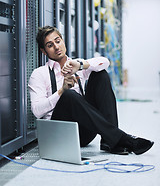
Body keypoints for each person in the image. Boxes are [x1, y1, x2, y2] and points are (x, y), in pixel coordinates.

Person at [28, 26, 154, 155]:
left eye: (58, 41)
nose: (56, 47)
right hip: (61, 133)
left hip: (84, 133)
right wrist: (61, 91)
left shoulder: (77, 65)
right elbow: (37, 111)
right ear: (44, 51)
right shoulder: (39, 74)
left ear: (63, 41)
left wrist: (81, 65)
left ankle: (109, 140)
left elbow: (105, 62)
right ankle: (123, 139)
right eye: (50, 45)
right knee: (69, 95)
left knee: (100, 74)